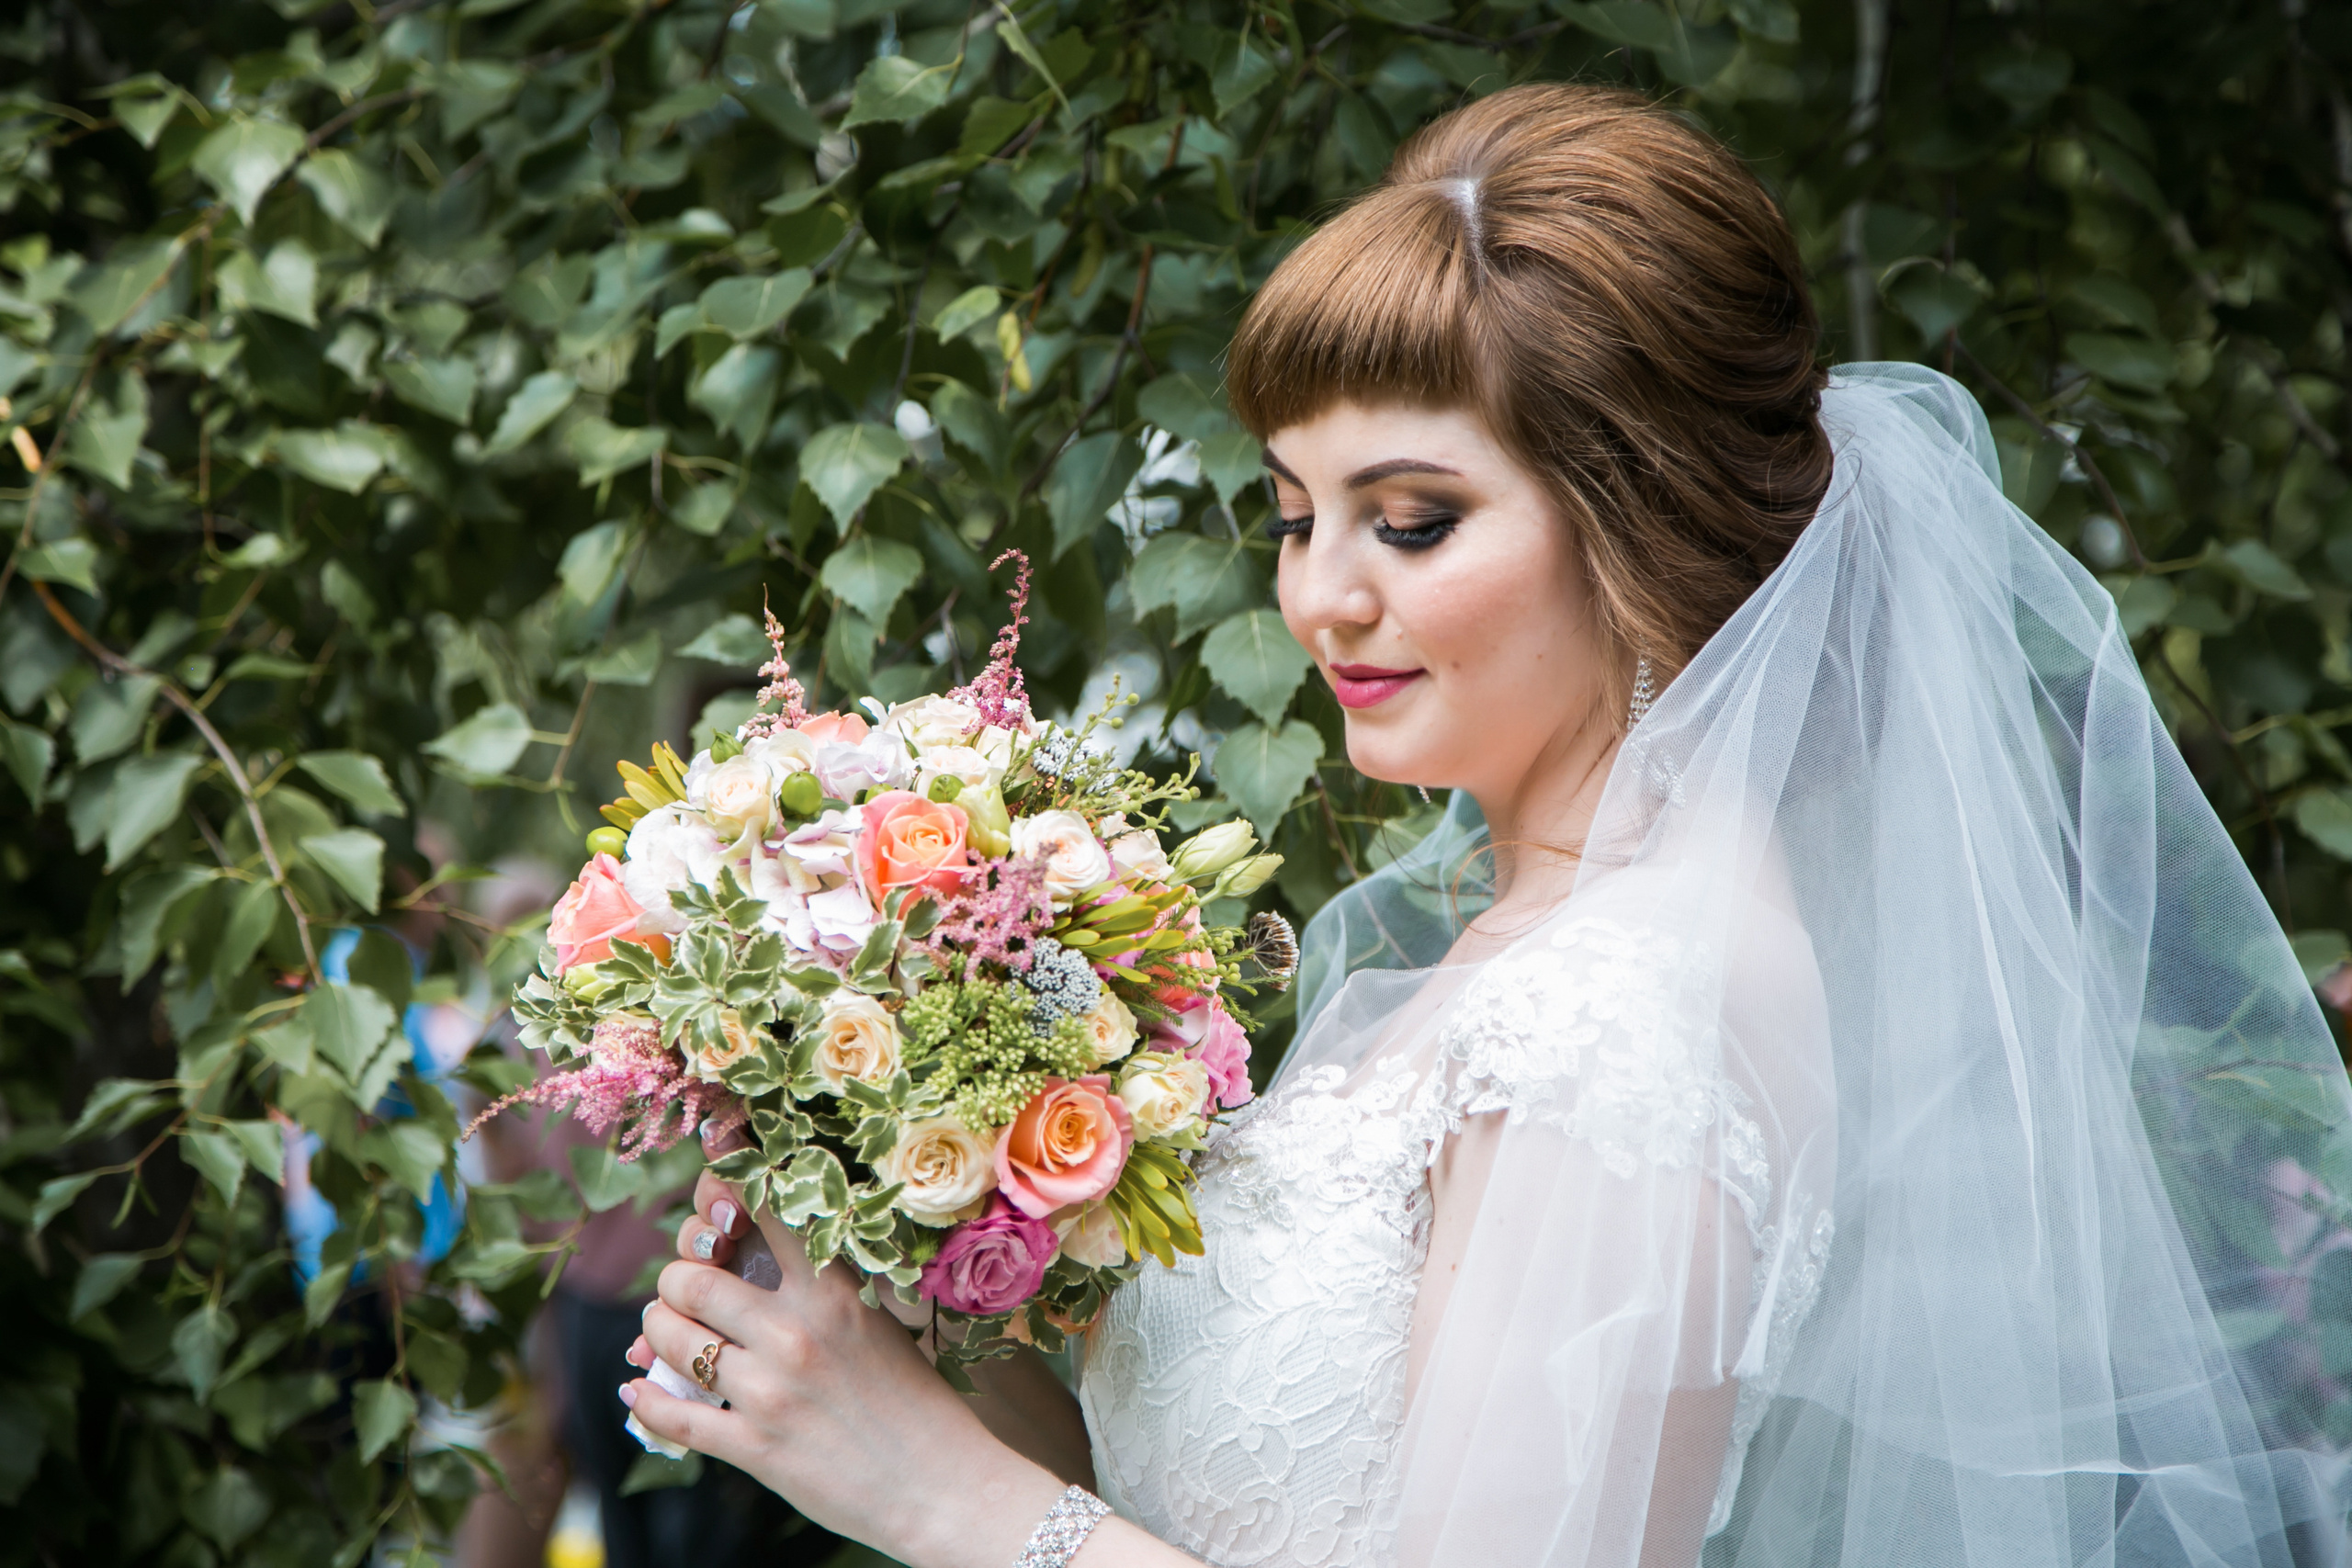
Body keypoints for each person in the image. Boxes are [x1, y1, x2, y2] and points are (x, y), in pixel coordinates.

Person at [615, 82, 2352, 1568]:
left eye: (1413, 521)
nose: (1323, 596)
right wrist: (892, 1328)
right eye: (1295, 517)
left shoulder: (1629, 1012)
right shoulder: (1509, 956)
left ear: (1634, 513)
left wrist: (944, 1499)